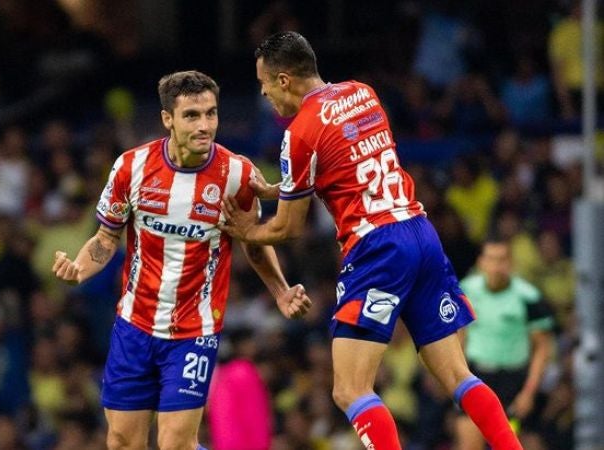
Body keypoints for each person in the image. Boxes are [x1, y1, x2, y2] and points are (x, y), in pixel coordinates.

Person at [218, 31, 522, 450]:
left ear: (284, 79)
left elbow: (288, 228)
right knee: (458, 376)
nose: (265, 94)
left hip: (377, 247)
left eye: (265, 84)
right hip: (419, 232)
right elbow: (347, 159)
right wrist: (278, 188)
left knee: (350, 389)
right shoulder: (363, 94)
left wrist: (244, 230)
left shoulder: (299, 132)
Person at [52, 70, 311, 450]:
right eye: (192, 115)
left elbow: (252, 240)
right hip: (134, 327)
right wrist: (80, 270)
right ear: (167, 119)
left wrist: (281, 291)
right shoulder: (131, 167)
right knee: (122, 441)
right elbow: (106, 238)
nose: (205, 125)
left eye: (211, 113)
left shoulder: (236, 174)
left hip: (194, 332)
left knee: (175, 443)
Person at [456, 238, 554, 450]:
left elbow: (542, 348)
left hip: (512, 383)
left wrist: (528, 392)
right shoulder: (466, 290)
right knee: (469, 445)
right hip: (476, 378)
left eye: (502, 260)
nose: (496, 266)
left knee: (509, 444)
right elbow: (458, 337)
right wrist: (456, 378)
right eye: (491, 259)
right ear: (481, 262)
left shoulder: (528, 297)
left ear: (511, 263)